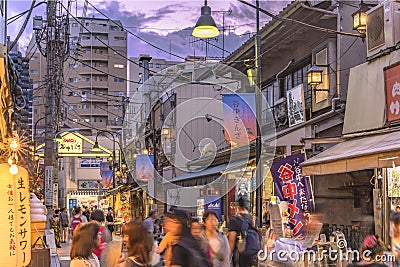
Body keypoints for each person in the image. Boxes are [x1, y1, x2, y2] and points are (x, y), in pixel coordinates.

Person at [227, 197, 256, 267]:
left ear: (238, 207)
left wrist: (228, 255)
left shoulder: (234, 220)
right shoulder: (252, 219)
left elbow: (232, 238)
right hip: (252, 253)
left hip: (240, 254)